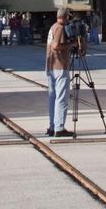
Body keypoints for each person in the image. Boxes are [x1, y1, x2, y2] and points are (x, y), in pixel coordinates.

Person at [45, 9, 71, 138]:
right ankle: (59, 127)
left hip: (50, 66)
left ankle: (52, 126)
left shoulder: (53, 27)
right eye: (68, 17)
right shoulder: (60, 28)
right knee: (61, 97)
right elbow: (56, 46)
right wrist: (71, 45)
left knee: (52, 98)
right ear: (64, 17)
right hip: (60, 66)